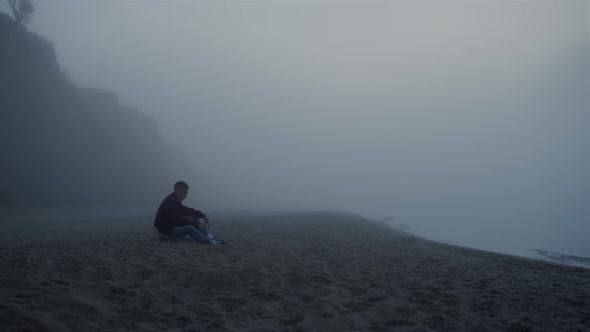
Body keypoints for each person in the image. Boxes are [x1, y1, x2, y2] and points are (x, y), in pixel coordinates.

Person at [154, 181, 224, 244]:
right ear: (178, 191)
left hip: (171, 226)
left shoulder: (174, 200)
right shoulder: (170, 202)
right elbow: (180, 221)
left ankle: (211, 237)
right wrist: (197, 226)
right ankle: (211, 242)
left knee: (192, 218)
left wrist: (202, 215)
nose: (186, 196)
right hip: (167, 231)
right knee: (189, 228)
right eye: (185, 193)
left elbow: (187, 211)